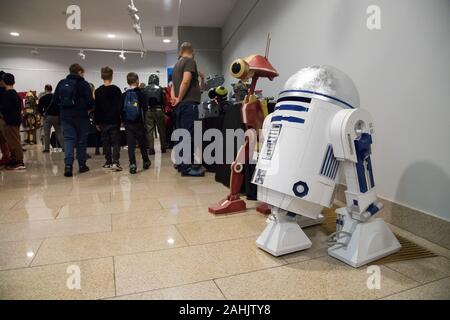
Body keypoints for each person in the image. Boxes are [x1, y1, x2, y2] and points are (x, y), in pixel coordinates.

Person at [53, 63, 95, 177]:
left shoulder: (61, 83)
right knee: (81, 141)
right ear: (80, 72)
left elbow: (55, 100)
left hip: (66, 116)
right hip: (81, 117)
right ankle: (82, 165)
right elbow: (90, 102)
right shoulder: (84, 84)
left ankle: (68, 166)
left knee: (69, 140)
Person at [171, 42, 206, 177]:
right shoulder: (190, 61)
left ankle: (180, 164)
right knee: (188, 135)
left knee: (181, 135)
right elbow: (185, 81)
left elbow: (174, 85)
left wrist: (174, 98)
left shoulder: (176, 65)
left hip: (181, 105)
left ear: (180, 52)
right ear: (193, 51)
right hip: (189, 104)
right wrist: (180, 97)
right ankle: (186, 168)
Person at [121, 72, 151, 174]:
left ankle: (133, 164)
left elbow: (121, 110)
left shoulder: (124, 95)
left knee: (131, 144)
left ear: (127, 82)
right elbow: (146, 108)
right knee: (142, 143)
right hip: (139, 122)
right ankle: (146, 161)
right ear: (137, 81)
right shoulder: (142, 94)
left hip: (128, 123)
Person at [94, 67, 123, 171]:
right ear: (112, 76)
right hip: (114, 120)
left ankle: (108, 162)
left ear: (102, 76)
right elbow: (120, 106)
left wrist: (96, 122)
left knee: (105, 142)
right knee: (115, 142)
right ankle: (116, 162)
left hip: (102, 121)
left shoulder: (97, 91)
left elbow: (96, 108)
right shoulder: (116, 90)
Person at [0, 73, 25, 170]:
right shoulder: (15, 94)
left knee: (15, 142)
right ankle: (15, 159)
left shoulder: (7, 94)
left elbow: (5, 109)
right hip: (15, 120)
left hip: (11, 122)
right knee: (13, 142)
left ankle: (19, 162)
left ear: (3, 82)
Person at [143, 74, 167, 155]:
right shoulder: (160, 89)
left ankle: (151, 149)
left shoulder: (145, 89)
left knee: (149, 131)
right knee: (161, 130)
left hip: (149, 111)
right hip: (159, 110)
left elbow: (143, 102)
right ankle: (163, 147)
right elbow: (164, 101)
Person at [39, 85, 64, 153]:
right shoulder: (57, 98)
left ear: (45, 89)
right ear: (51, 89)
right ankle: (64, 147)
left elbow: (39, 109)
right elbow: (61, 107)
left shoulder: (42, 98)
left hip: (47, 118)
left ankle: (47, 149)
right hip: (57, 117)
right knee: (59, 133)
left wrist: (42, 114)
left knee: (47, 134)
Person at [0, 71, 11, 166]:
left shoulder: (5, 91)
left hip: (3, 117)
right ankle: (6, 155)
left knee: (4, 138)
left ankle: (7, 156)